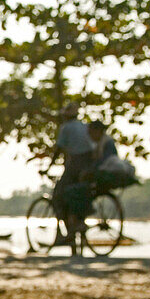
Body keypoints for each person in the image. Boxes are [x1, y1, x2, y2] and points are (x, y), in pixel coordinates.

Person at [49, 103, 95, 246]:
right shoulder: (84, 126)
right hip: (89, 165)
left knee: (58, 195)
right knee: (74, 192)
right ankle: (75, 225)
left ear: (66, 115)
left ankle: (68, 232)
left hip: (76, 164)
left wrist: (49, 166)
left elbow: (59, 149)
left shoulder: (66, 128)